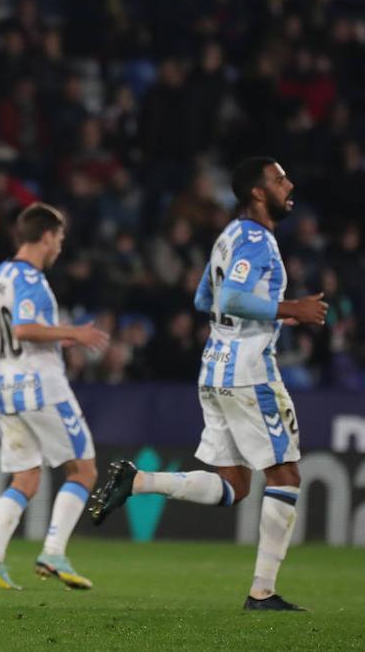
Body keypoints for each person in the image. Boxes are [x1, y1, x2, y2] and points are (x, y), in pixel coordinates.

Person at [90, 157, 329, 612]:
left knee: (234, 486)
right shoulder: (257, 239)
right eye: (279, 179)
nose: (289, 183)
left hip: (215, 366)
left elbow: (204, 297)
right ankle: (262, 592)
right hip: (249, 370)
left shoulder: (229, 237)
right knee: (286, 474)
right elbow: (231, 298)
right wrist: (289, 308)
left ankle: (138, 481)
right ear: (258, 193)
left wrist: (258, 309)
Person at [0, 203, 109, 591]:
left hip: (8, 389)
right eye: (60, 240)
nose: (60, 248)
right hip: (42, 386)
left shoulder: (1, 275)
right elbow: (25, 328)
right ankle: (53, 552)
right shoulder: (30, 278)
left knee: (26, 477)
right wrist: (72, 334)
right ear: (47, 236)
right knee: (84, 470)